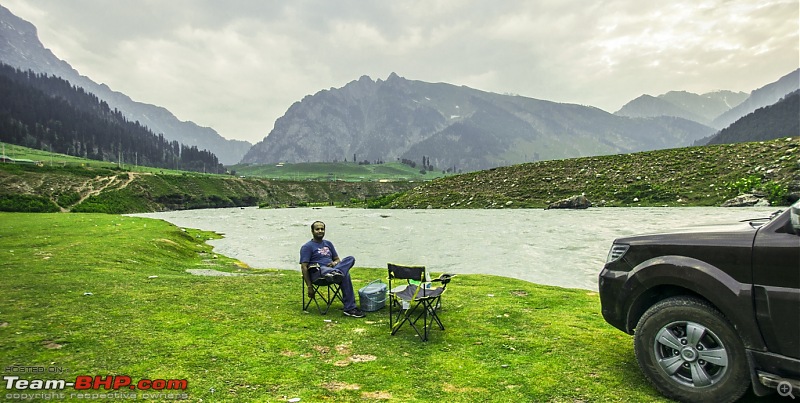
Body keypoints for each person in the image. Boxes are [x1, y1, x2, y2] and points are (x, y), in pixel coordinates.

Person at [300, 221, 366, 318]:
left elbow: (337, 259)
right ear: (312, 231)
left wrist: (334, 263)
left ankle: (349, 308)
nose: (320, 231)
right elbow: (304, 267)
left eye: (322, 229)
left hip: (332, 271)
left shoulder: (328, 243)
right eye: (317, 229)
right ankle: (350, 306)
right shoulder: (307, 247)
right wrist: (309, 286)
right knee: (339, 273)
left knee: (350, 259)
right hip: (318, 273)